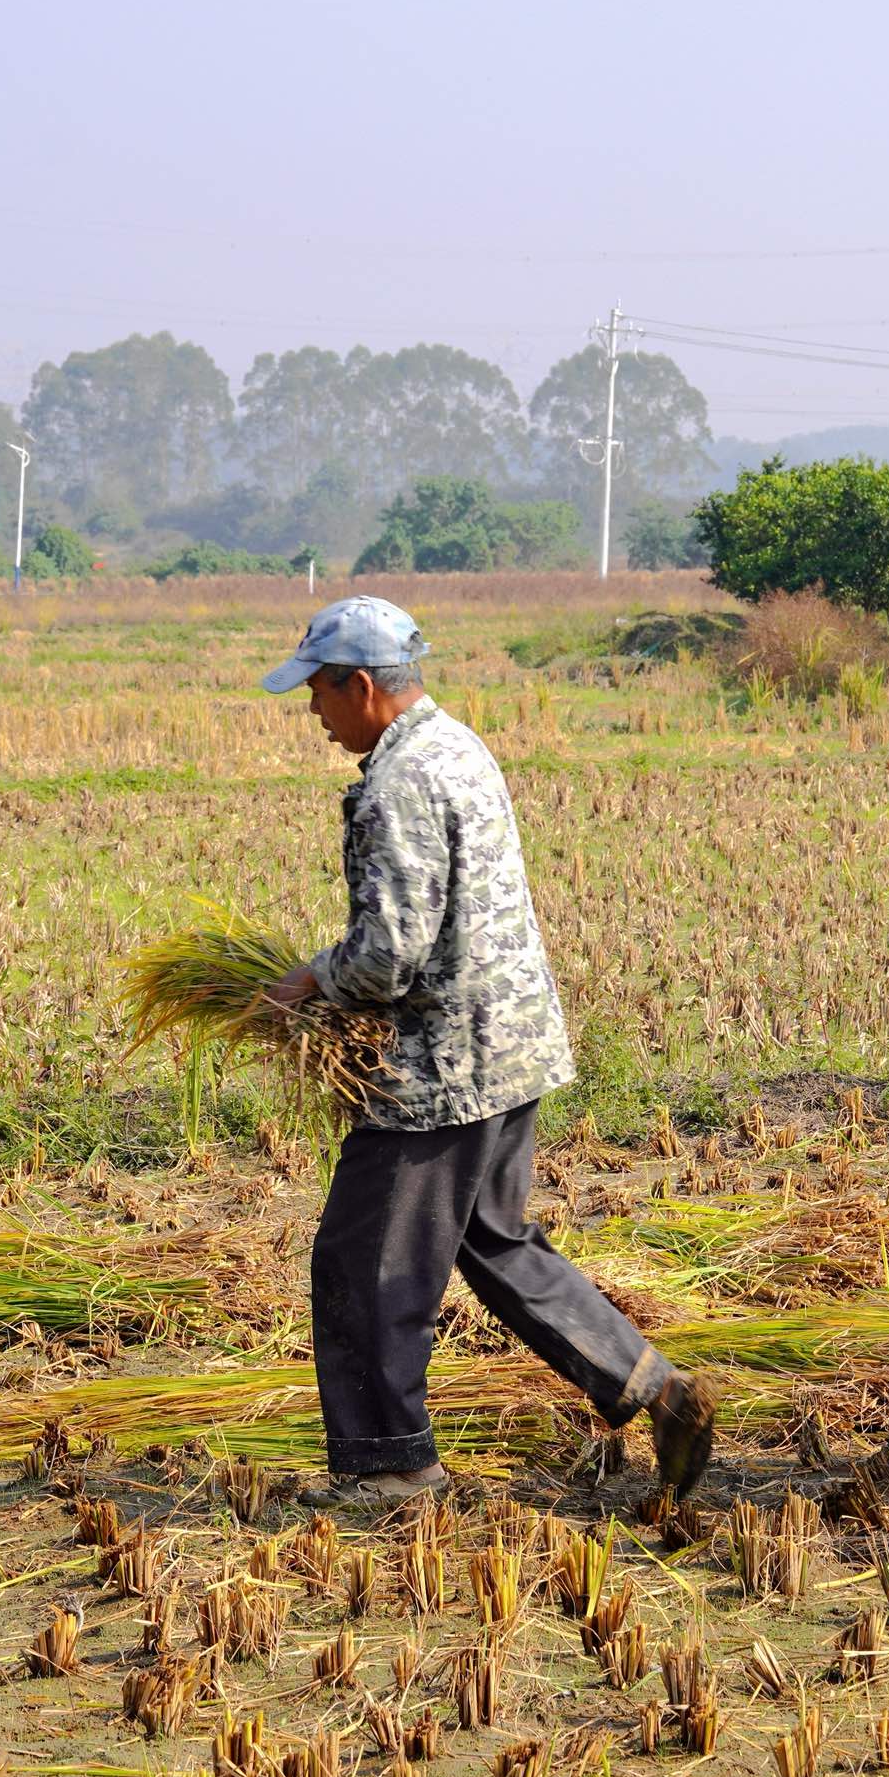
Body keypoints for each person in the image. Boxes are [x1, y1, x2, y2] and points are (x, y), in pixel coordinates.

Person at [254, 594, 716, 1511]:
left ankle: (391, 1469)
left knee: (364, 1261)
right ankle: (656, 1389)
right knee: (494, 1241)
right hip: (510, 1052)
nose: (312, 712)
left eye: (318, 691)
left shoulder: (397, 784)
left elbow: (390, 954)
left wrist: (310, 981)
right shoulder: (456, 745)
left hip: (439, 1074)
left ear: (360, 685)